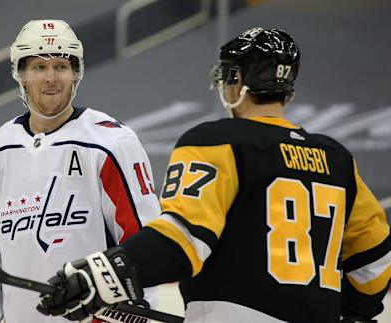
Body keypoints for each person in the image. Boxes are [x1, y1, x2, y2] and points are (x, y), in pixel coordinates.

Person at [36, 27, 391, 323]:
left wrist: (101, 271)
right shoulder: (336, 158)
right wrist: (350, 312)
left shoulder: (217, 141)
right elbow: (375, 264)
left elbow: (182, 241)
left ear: (236, 82)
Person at [0, 19, 160, 323]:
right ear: (21, 75)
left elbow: (142, 241)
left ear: (75, 75)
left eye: (61, 66)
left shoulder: (110, 143)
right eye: (39, 67)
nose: (51, 78)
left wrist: (140, 314)